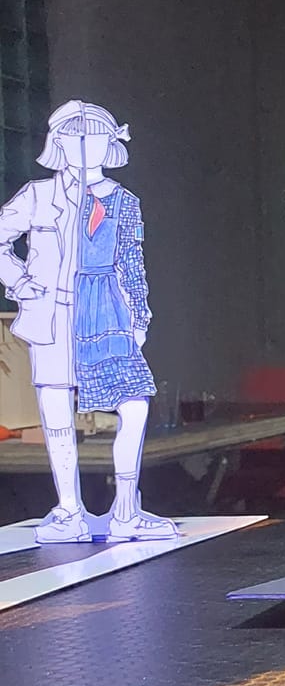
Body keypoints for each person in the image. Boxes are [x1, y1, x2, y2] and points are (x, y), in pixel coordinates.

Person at [0, 100, 175, 543]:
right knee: (57, 410)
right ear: (59, 142)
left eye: (95, 137)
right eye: (76, 137)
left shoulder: (124, 201)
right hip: (53, 316)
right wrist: (19, 282)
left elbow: (132, 262)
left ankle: (126, 510)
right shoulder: (38, 196)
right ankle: (69, 511)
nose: (85, 146)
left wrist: (139, 316)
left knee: (135, 403)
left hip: (107, 312)